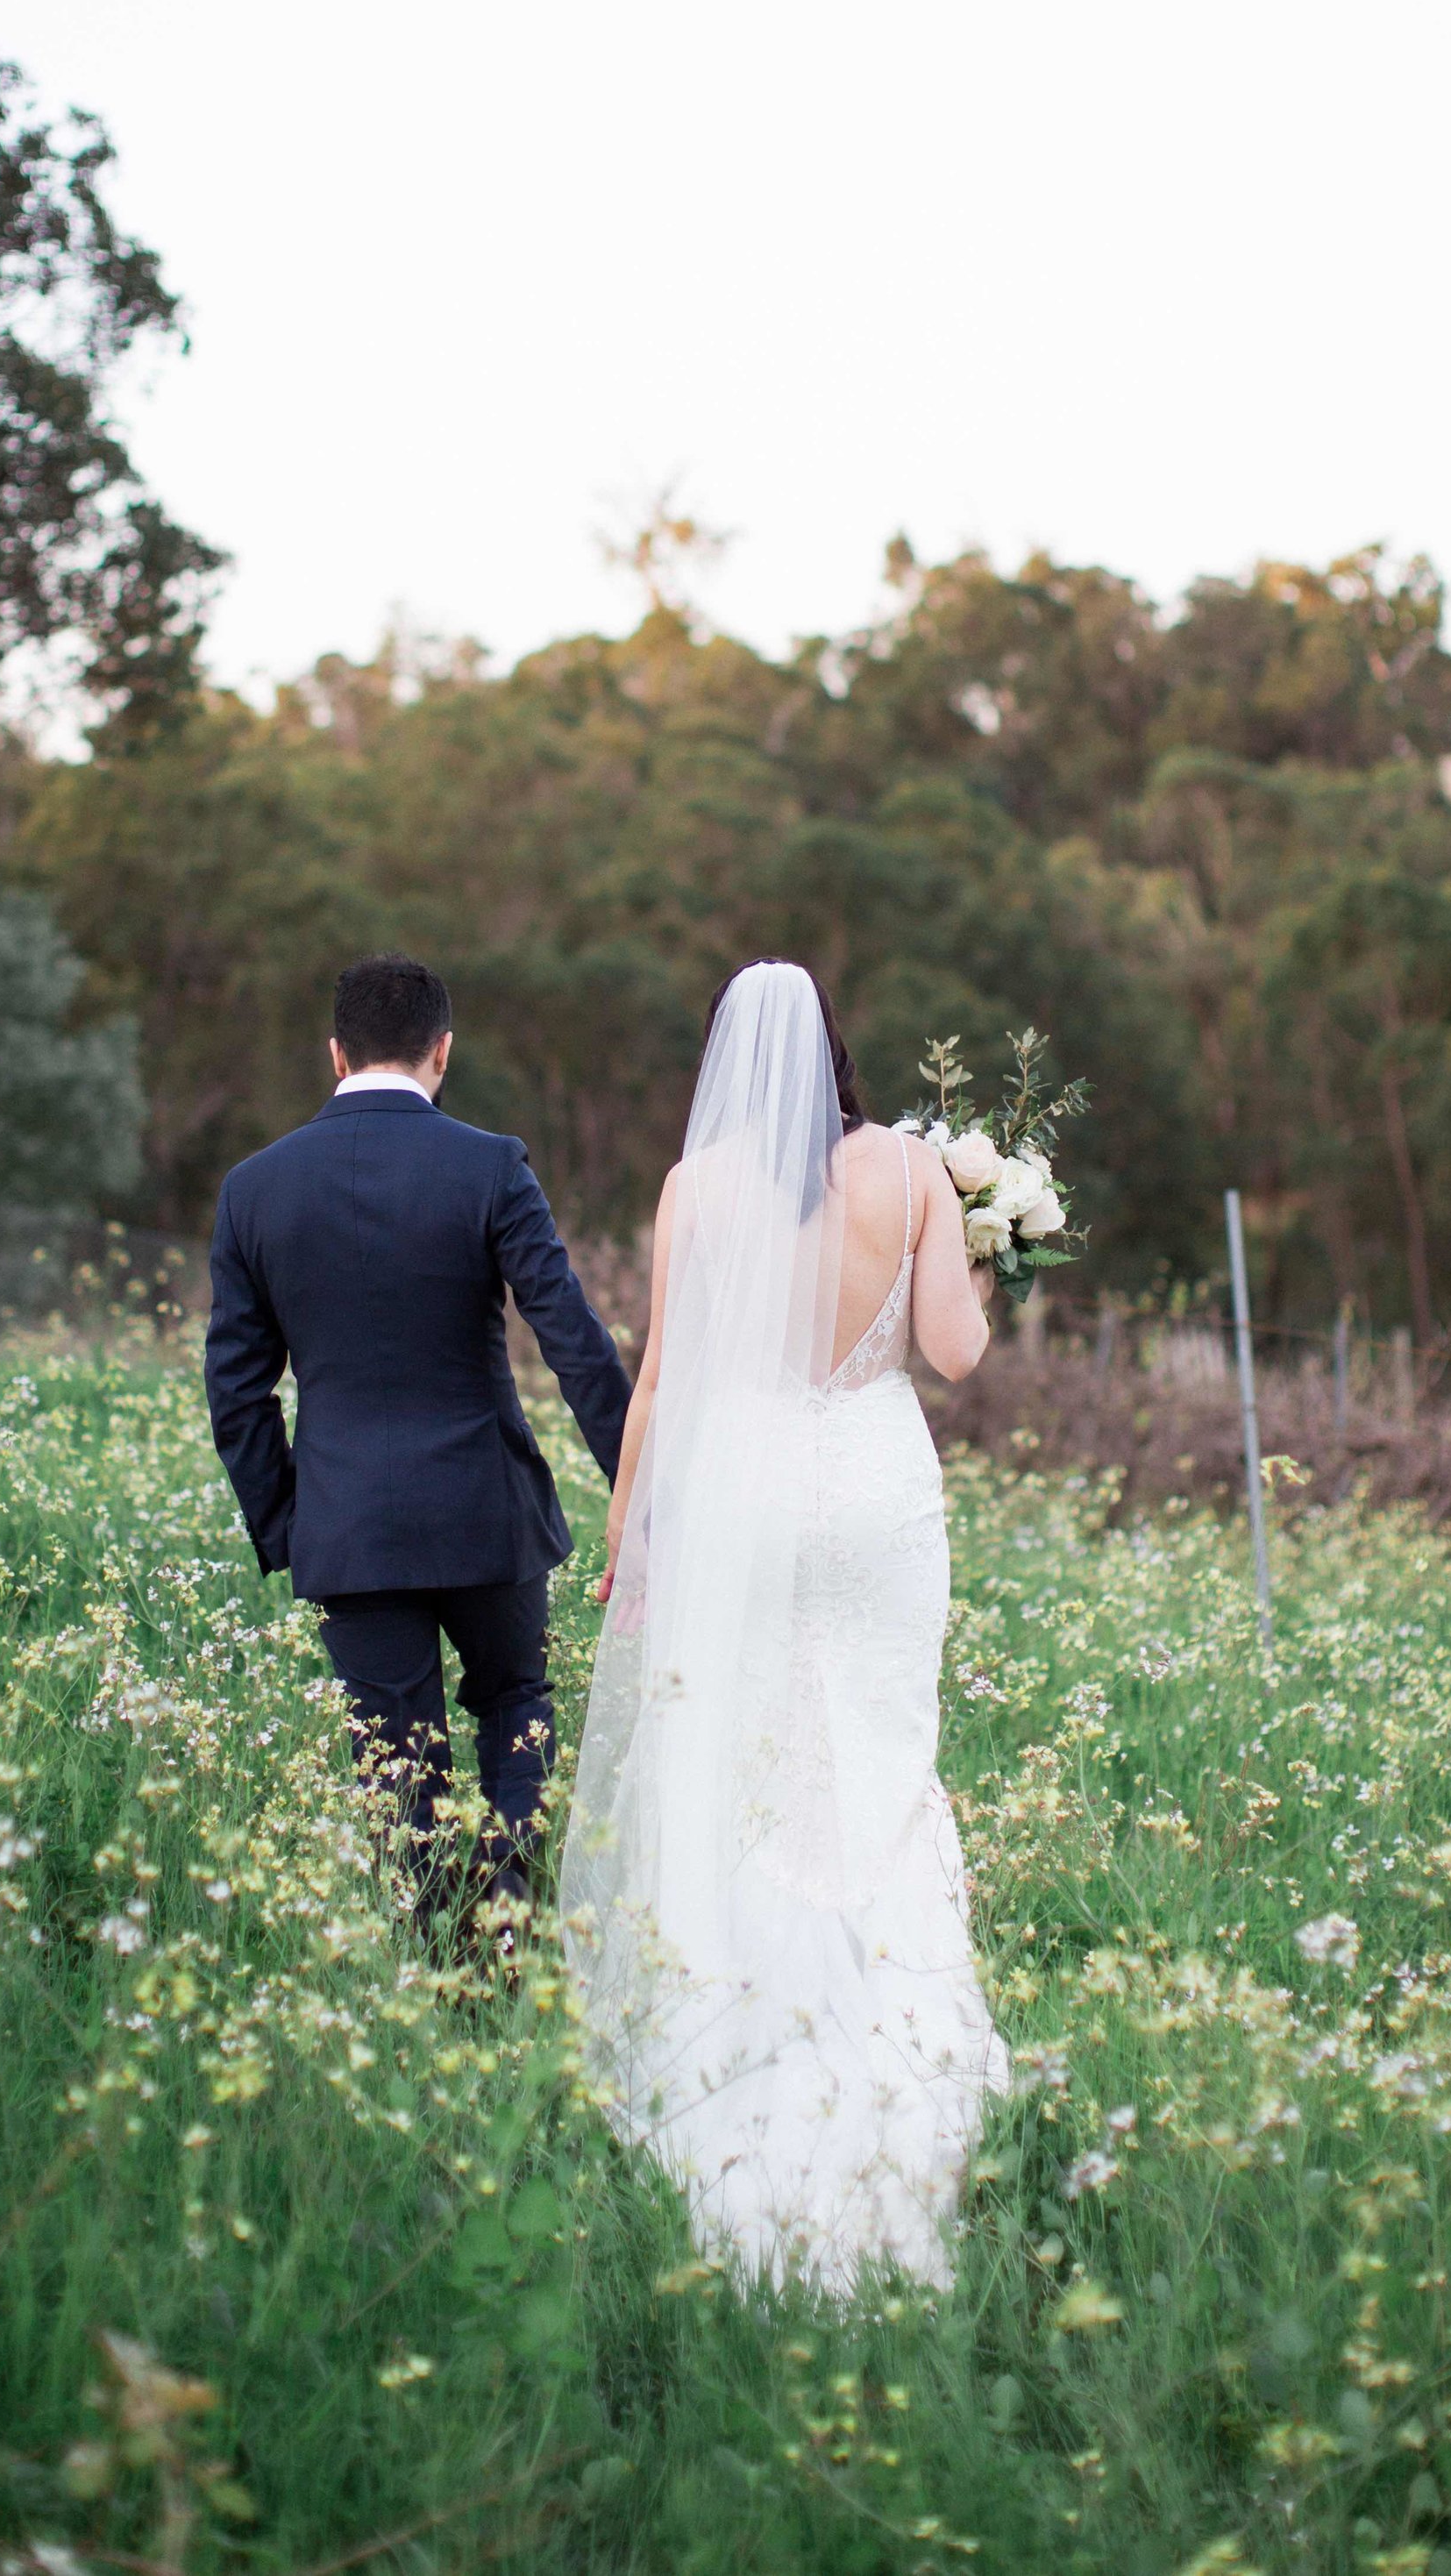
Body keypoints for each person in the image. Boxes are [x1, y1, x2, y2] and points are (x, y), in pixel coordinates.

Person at [561, 958, 1007, 2293]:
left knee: (747, 1751)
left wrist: (628, 1536)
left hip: (744, 1487)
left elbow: (660, 1381)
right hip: (872, 1486)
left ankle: (744, 2040)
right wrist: (979, 1254)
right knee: (875, 1747)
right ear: (835, 1050)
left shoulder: (696, 1189)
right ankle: (903, 2033)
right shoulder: (911, 1172)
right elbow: (957, 1354)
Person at [204, 952, 630, 1925]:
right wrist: (634, 1488)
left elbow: (236, 1389)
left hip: (347, 1523)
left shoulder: (253, 1187)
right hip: (487, 1509)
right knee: (516, 1698)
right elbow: (571, 1338)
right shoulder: (491, 1165)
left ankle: (439, 1956)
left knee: (396, 1759)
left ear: (335, 1053)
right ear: (443, 1050)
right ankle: (511, 1907)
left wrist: (292, 1524)